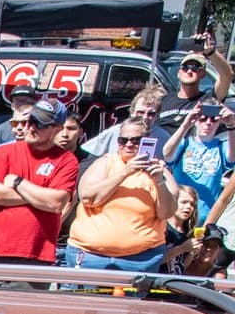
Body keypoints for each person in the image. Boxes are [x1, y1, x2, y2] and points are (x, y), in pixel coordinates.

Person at [66, 117, 178, 273]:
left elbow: (166, 212)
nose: (129, 144)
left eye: (136, 140)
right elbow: (88, 198)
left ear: (148, 141)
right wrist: (125, 172)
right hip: (90, 255)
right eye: (123, 140)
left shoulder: (160, 171)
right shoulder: (105, 163)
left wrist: (158, 181)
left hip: (141, 259)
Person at [0, 96, 78, 265]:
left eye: (40, 124)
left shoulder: (66, 160)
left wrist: (19, 183)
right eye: (30, 121)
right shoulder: (2, 153)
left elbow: (56, 204)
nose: (31, 128)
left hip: (37, 255)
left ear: (57, 129)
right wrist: (40, 195)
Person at [162, 102, 235, 216]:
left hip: (207, 216)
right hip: (179, 215)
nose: (208, 123)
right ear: (195, 120)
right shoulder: (184, 144)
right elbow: (166, 153)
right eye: (203, 119)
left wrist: (231, 125)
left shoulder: (222, 147)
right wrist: (186, 124)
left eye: (214, 120)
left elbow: (232, 157)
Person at [161, 44, 233, 122]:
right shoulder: (163, 100)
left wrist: (210, 51)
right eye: (185, 67)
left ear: (203, 74)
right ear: (179, 73)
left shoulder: (208, 101)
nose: (189, 71)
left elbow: (227, 75)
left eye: (194, 68)